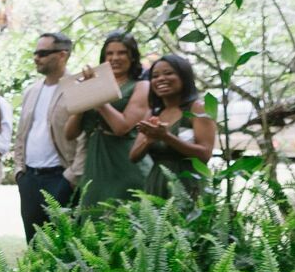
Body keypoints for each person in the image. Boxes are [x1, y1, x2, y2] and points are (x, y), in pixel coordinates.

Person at [65, 31, 152, 207]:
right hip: (95, 162)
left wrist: (97, 95)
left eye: (122, 53)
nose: (115, 58)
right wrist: (83, 95)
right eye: (110, 53)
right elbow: (69, 133)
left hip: (125, 162)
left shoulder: (141, 86)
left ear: (132, 57)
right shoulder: (91, 83)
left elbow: (122, 127)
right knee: (93, 214)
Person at [10, 33, 83, 240]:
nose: (36, 58)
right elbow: (22, 134)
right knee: (34, 243)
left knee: (64, 245)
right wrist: (19, 171)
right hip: (29, 178)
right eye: (35, 53)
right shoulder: (31, 91)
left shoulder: (77, 87)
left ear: (62, 55)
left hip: (61, 177)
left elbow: (84, 137)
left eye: (42, 53)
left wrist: (71, 177)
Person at [132, 53, 216, 198]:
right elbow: (133, 156)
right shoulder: (153, 113)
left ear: (184, 76)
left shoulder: (197, 108)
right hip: (157, 184)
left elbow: (205, 155)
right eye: (155, 76)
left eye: (168, 73)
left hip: (189, 185)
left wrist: (166, 137)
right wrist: (148, 141)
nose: (161, 79)